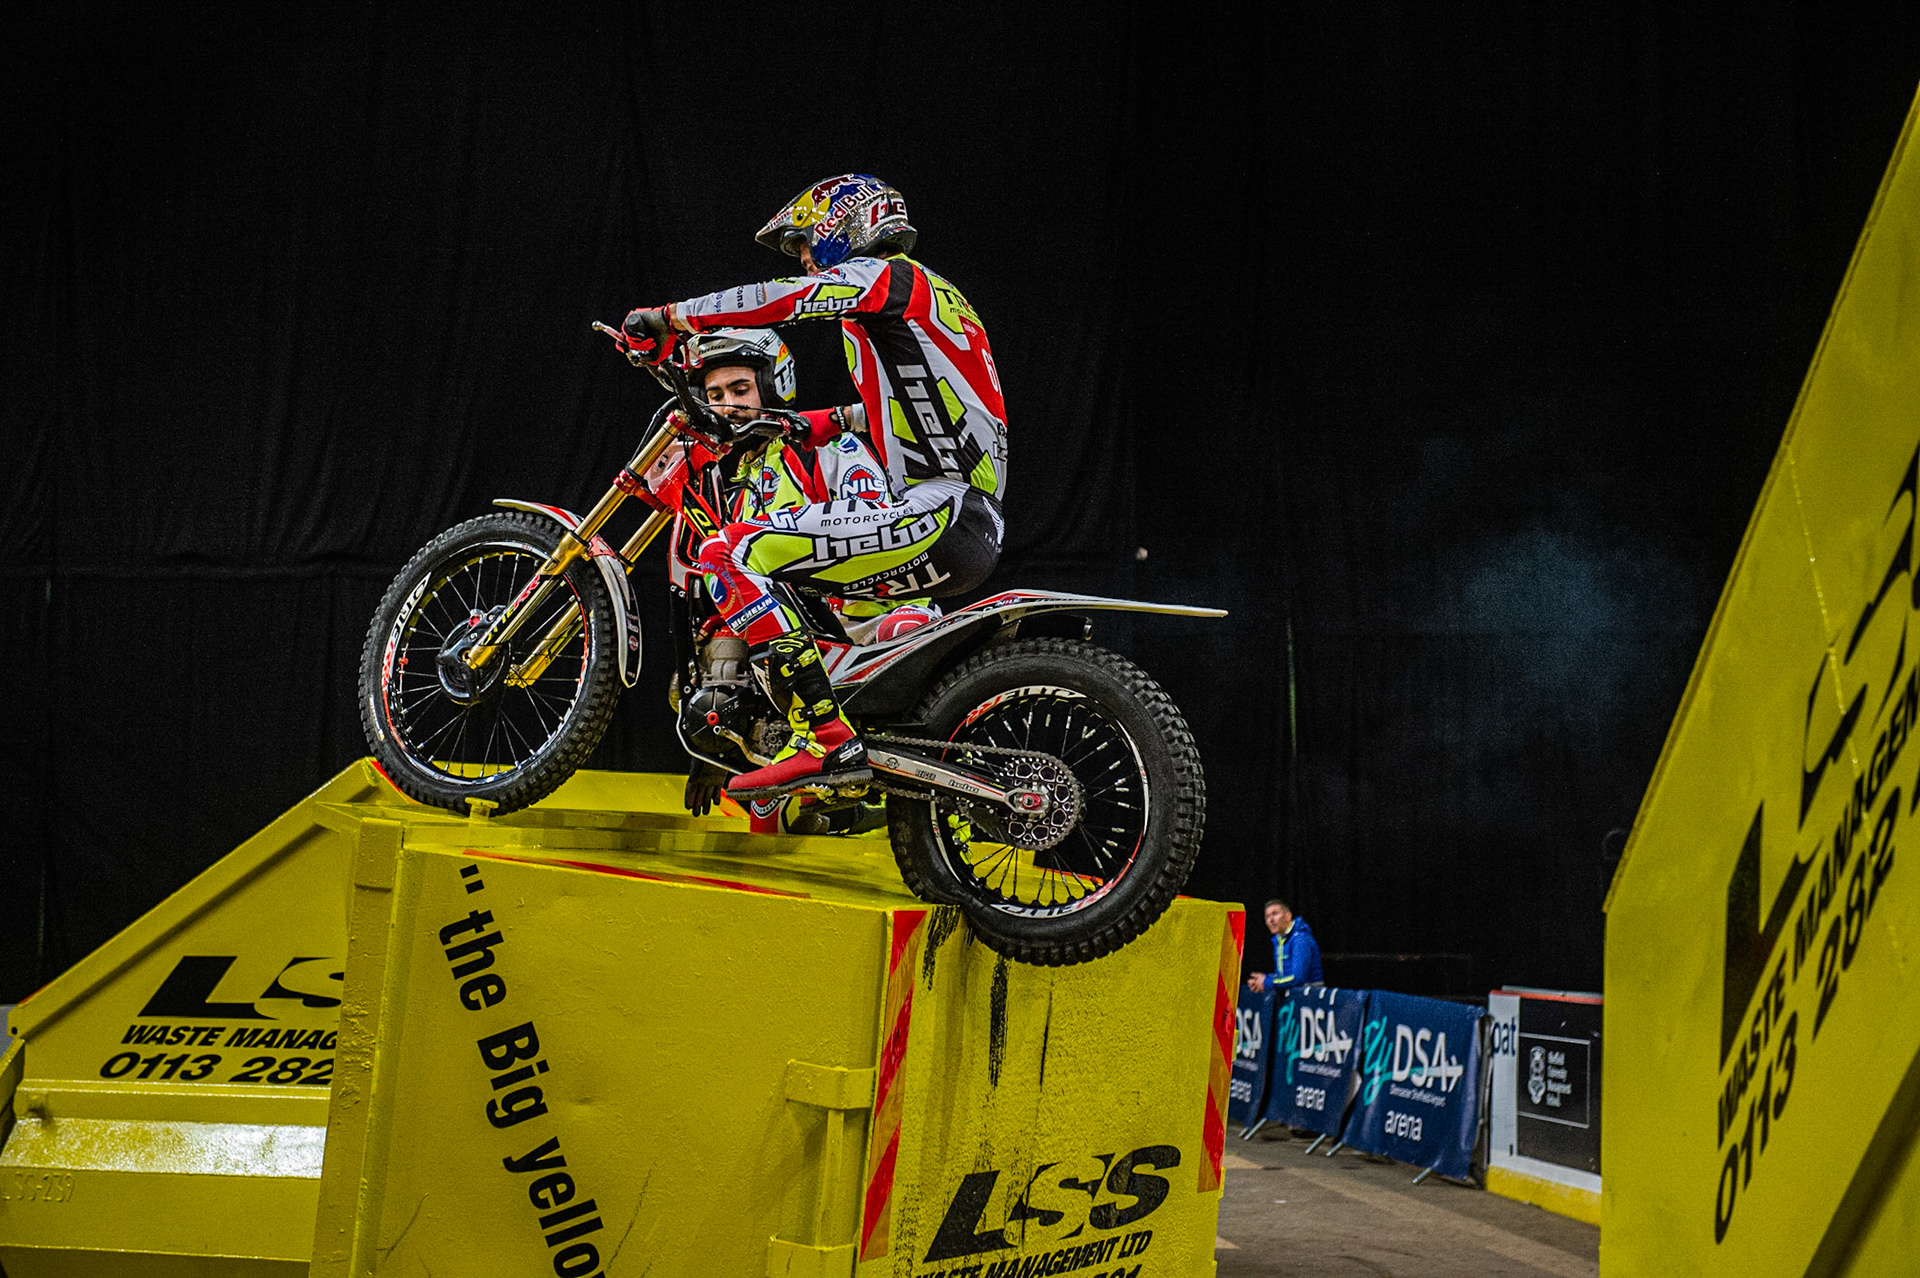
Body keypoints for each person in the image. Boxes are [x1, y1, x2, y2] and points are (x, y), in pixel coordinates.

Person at [622, 174, 1007, 799]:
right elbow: (900, 411)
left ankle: (826, 739)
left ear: (846, 224)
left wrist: (671, 318)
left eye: (804, 240)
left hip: (942, 510)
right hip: (961, 514)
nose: (802, 256)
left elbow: (781, 300)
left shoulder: (892, 279)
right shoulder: (924, 304)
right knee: (783, 581)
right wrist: (811, 422)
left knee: (727, 555)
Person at [1245, 898, 1322, 993]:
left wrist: (1267, 982)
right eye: (1267, 916)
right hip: (1293, 995)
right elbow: (1283, 976)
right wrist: (1262, 980)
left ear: (1288, 915)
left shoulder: (1300, 938)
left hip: (1310, 996)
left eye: (1275, 914)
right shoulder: (1278, 940)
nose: (1271, 920)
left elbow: (1297, 978)